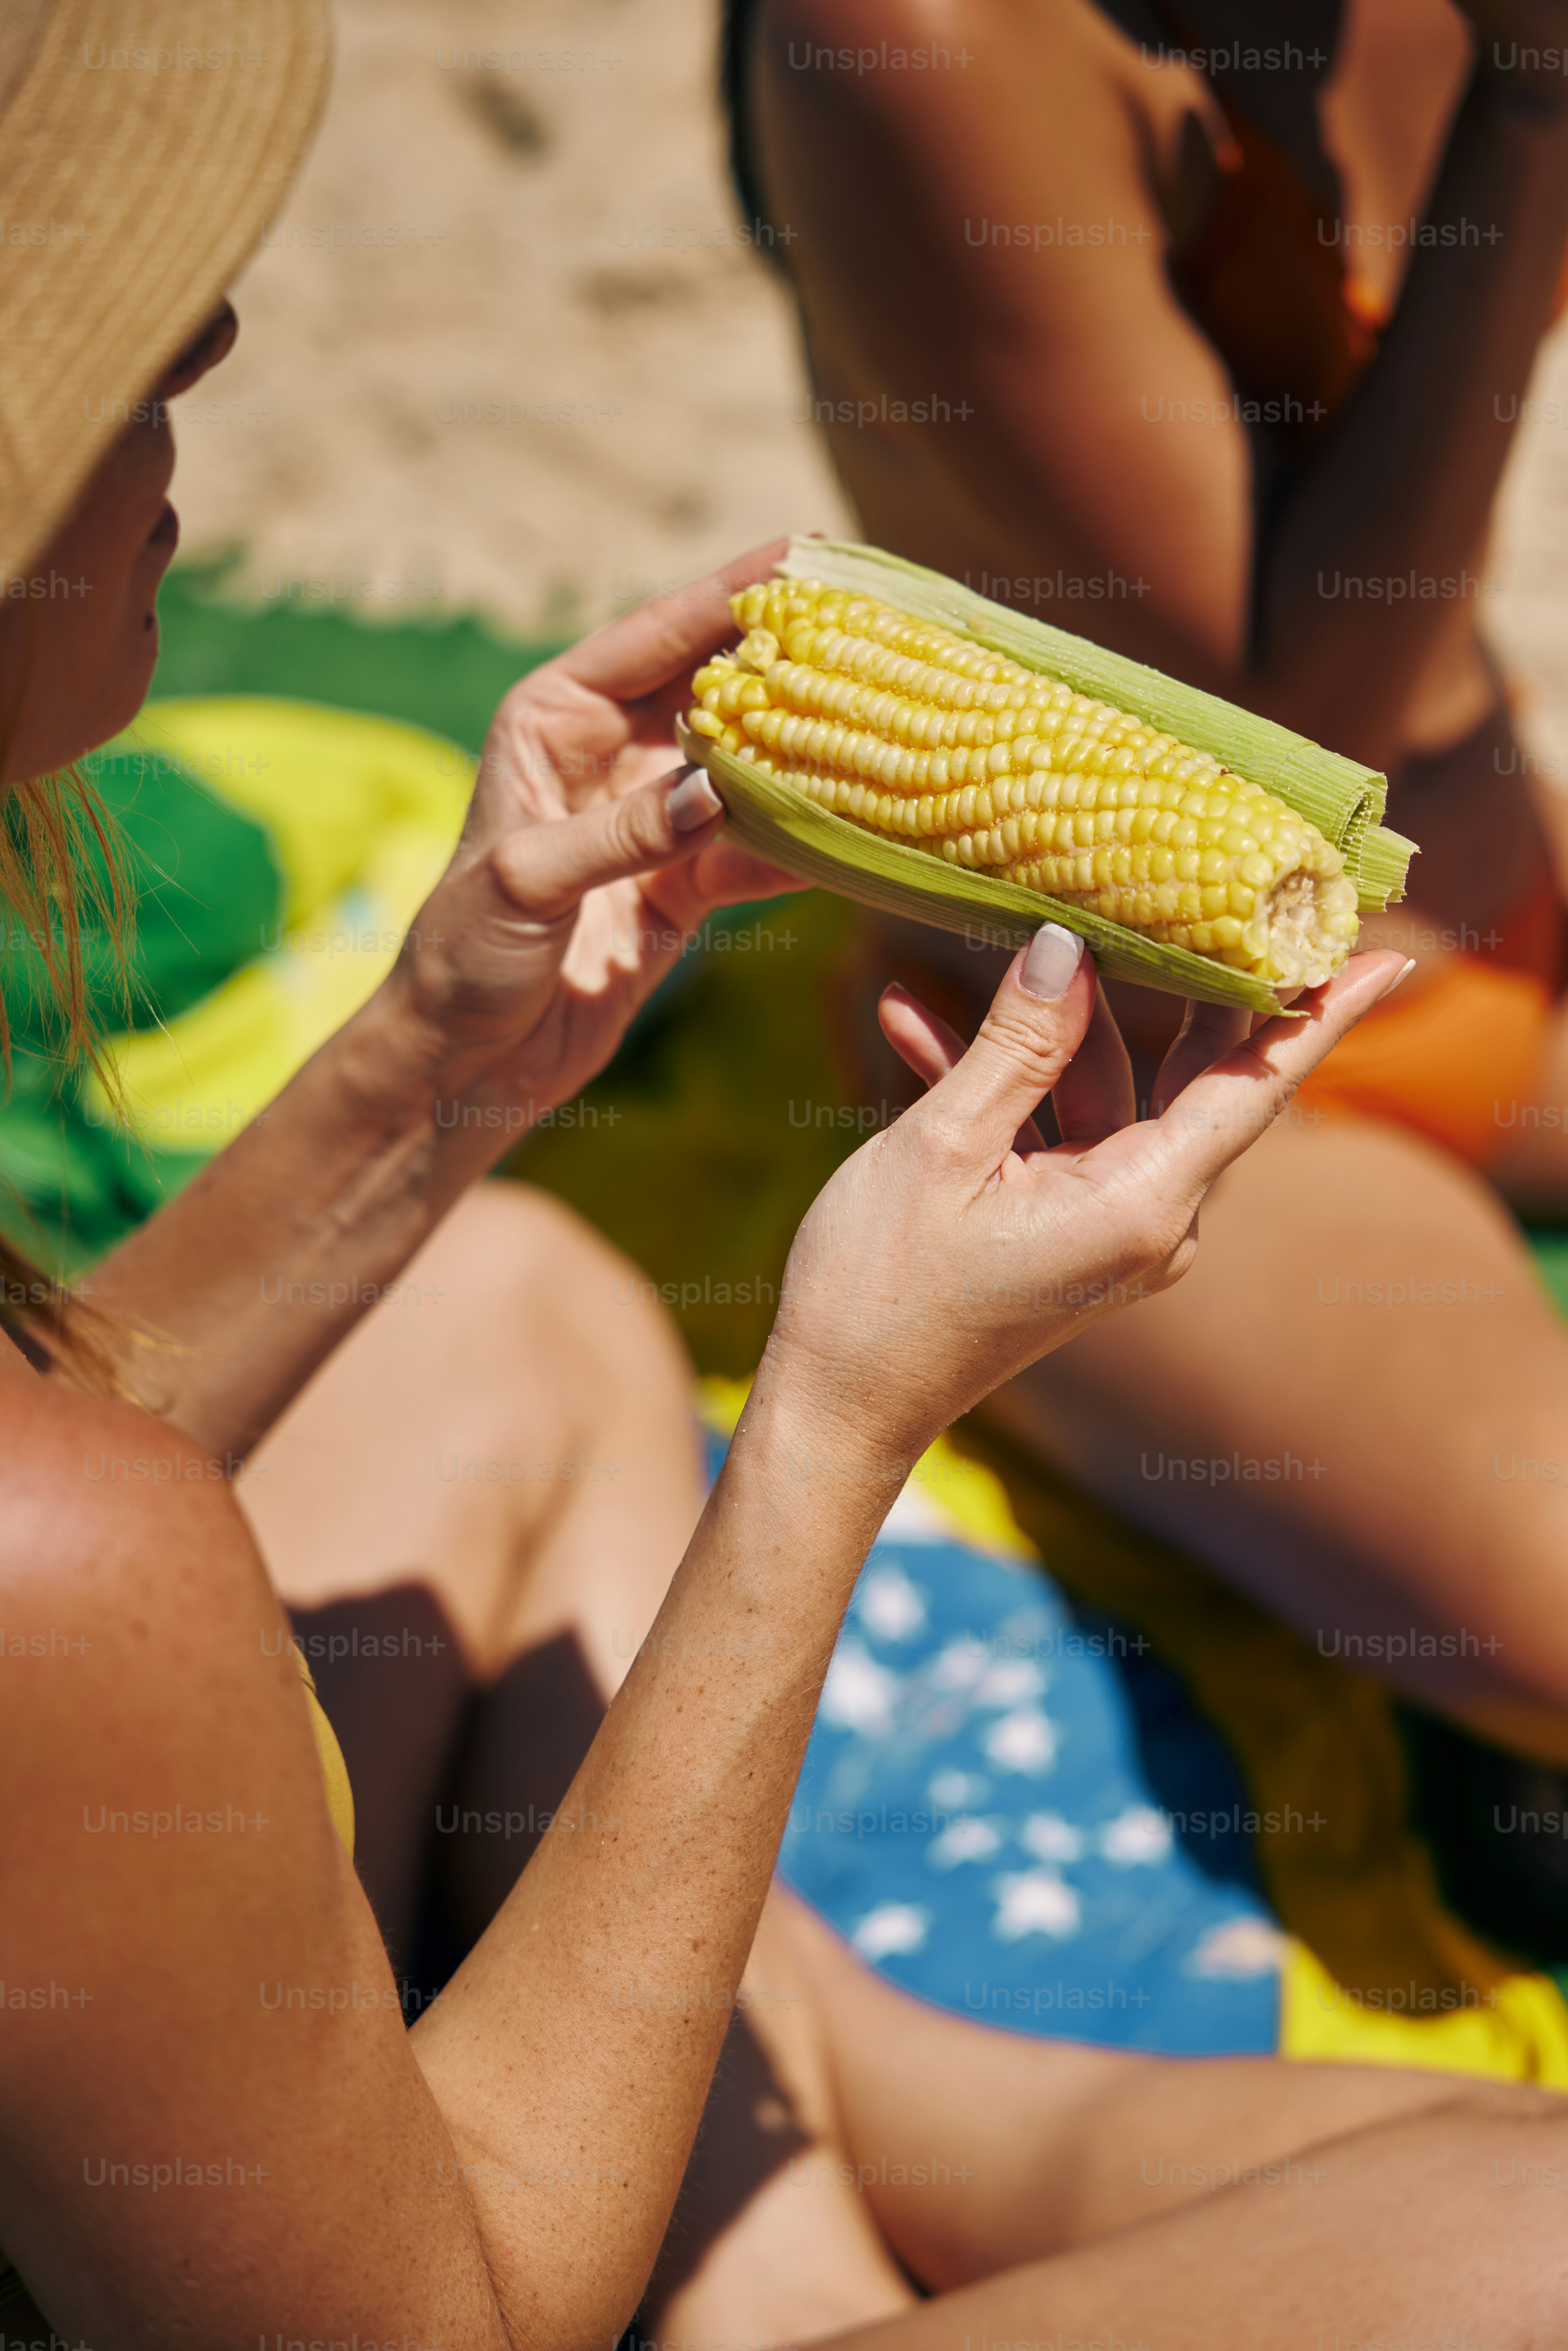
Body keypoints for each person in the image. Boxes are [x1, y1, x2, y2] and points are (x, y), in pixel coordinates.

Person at [7, 6, 1568, 2345]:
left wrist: (449, 1052)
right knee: (1529, 2241)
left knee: (509, 1304)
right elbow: (431, 2321)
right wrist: (845, 1408)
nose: (218, 329)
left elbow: (66, 1458)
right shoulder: (66, 1578)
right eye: (115, 331)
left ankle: (828, 2104)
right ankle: (814, 2234)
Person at [720, 0, 1568, 1771]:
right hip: (1143, 1071)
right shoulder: (914, 37)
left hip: (1504, 916)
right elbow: (1273, 770)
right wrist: (1536, 109)